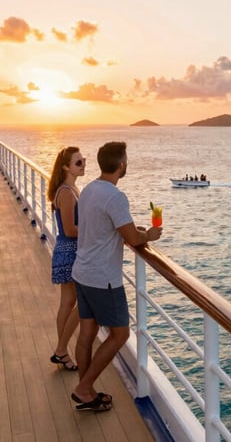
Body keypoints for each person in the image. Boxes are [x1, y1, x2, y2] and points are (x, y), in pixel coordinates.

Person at [70, 141, 162, 411]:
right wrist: (149, 235)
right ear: (121, 165)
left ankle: (86, 391)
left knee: (87, 332)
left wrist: (132, 231)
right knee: (120, 334)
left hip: (83, 271)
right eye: (126, 160)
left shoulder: (88, 190)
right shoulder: (114, 196)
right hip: (103, 278)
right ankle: (84, 388)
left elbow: (104, 228)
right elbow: (133, 238)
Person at [48, 146, 86, 371]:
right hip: (70, 250)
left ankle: (62, 351)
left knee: (68, 303)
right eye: (78, 162)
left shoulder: (71, 189)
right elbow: (71, 230)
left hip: (67, 250)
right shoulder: (66, 193)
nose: (83, 165)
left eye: (84, 160)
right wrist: (96, 229)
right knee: (81, 302)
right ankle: (62, 350)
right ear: (66, 167)